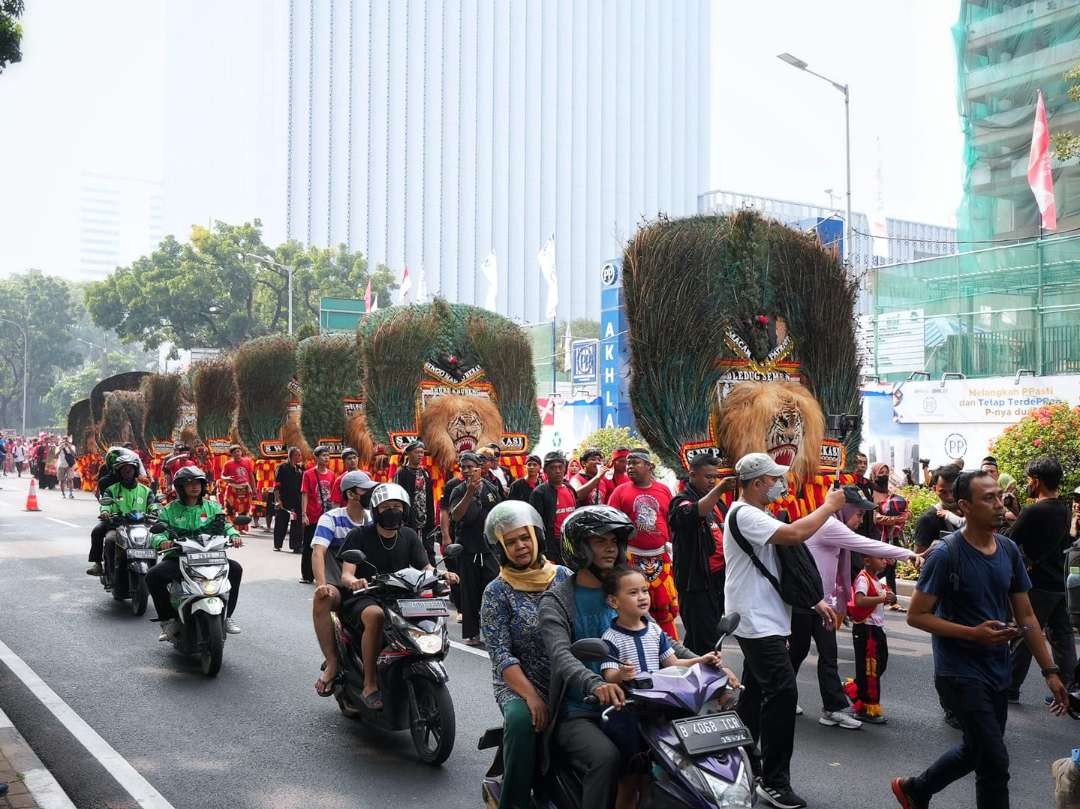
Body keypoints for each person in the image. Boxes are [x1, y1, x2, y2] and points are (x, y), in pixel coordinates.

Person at [893, 470, 1070, 809]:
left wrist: (1050, 670)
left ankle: (916, 789)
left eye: (999, 496)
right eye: (988, 498)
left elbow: (1027, 616)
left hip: (996, 670)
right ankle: (917, 790)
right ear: (965, 506)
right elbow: (917, 615)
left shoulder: (1008, 550)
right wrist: (972, 634)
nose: (999, 504)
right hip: (959, 673)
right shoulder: (946, 554)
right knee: (995, 762)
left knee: (977, 750)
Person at [539, 505, 696, 809]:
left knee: (678, 752)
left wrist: (705, 662)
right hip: (581, 711)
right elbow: (562, 656)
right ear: (579, 547)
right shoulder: (557, 600)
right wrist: (595, 684)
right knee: (606, 758)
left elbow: (661, 640)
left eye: (614, 541)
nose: (610, 548)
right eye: (600, 541)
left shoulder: (625, 590)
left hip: (639, 705)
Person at [723, 452, 845, 809]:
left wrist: (813, 600)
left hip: (764, 616)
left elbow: (786, 566)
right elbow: (796, 535)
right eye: (774, 478)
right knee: (782, 692)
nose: (780, 484)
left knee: (756, 692)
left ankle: (743, 760)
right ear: (757, 482)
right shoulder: (745, 514)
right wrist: (829, 506)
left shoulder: (757, 514)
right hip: (755, 619)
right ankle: (774, 782)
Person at [599, 565, 734, 809]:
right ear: (613, 601)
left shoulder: (654, 630)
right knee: (630, 781)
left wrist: (700, 660)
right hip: (629, 715)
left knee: (657, 778)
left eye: (644, 590)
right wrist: (621, 673)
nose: (642, 597)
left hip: (658, 712)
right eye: (633, 593)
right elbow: (608, 675)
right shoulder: (611, 637)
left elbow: (673, 663)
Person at [792, 485, 920, 730]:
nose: (862, 519)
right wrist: (907, 554)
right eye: (859, 513)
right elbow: (867, 545)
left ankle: (830, 708)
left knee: (825, 655)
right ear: (844, 508)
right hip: (807, 601)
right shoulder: (830, 525)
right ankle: (783, 695)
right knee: (798, 653)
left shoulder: (831, 524)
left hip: (820, 602)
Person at [479, 501, 571, 809]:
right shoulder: (496, 591)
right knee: (521, 721)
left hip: (567, 676)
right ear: (501, 548)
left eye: (525, 538)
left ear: (537, 537)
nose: (520, 546)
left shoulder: (564, 578)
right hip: (518, 685)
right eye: (511, 542)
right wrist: (531, 696)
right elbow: (501, 654)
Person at [337, 483, 458, 709]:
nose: (393, 511)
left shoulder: (409, 535)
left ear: (405, 510)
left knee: (429, 613)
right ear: (376, 510)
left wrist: (443, 574)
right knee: (375, 616)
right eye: (386, 507)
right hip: (367, 595)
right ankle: (370, 683)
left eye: (397, 506)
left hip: (402, 596)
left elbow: (425, 567)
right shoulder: (359, 535)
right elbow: (346, 574)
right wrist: (355, 582)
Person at [1006, 456, 1077, 702]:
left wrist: (1009, 515)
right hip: (1057, 582)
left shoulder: (1035, 510)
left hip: (1038, 585)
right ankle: (1069, 689)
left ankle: (1010, 687)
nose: (1028, 484)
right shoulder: (1064, 509)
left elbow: (1009, 540)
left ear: (1036, 481)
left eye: (1029, 480)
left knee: (1026, 634)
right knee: (1062, 637)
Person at [148, 466, 244, 638]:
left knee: (236, 569)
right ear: (180, 487)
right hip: (179, 558)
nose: (195, 486)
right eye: (189, 483)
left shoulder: (213, 508)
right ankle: (168, 620)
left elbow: (226, 525)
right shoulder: (169, 510)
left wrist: (234, 535)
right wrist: (162, 541)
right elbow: (158, 532)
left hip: (210, 557)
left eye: (198, 483)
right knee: (153, 576)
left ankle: (228, 616)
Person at [312, 470, 377, 696]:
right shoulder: (331, 518)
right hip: (341, 586)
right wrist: (321, 584)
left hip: (371, 586)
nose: (370, 493)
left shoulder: (374, 518)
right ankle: (331, 662)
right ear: (350, 494)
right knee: (323, 598)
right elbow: (318, 552)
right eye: (365, 489)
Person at [606, 449, 679, 638]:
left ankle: (669, 648)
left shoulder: (664, 490)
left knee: (664, 607)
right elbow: (611, 527)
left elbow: (670, 522)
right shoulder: (619, 492)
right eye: (628, 463)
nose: (629, 467)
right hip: (631, 559)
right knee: (633, 607)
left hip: (661, 558)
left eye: (635, 463)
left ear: (649, 466)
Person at [668, 454, 735, 653]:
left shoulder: (719, 504)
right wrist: (720, 489)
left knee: (710, 637)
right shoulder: (681, 501)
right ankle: (704, 680)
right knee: (705, 642)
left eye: (715, 477)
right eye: (708, 477)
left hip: (717, 581)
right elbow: (692, 513)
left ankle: (695, 676)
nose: (712, 481)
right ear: (692, 475)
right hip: (696, 584)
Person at [449, 451, 503, 645]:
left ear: (480, 468)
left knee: (493, 592)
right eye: (463, 467)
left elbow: (499, 515)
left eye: (471, 467)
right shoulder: (457, 490)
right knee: (469, 593)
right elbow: (455, 516)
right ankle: (472, 633)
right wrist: (469, 493)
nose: (467, 471)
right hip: (467, 549)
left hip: (489, 550)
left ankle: (494, 631)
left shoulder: (491, 488)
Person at [849, 555, 895, 724]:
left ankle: (854, 689)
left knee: (880, 664)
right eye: (881, 558)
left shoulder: (876, 579)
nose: (885, 561)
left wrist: (890, 597)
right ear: (867, 560)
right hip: (866, 628)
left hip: (876, 628)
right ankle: (867, 707)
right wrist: (882, 598)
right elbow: (860, 601)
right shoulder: (863, 578)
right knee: (870, 668)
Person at [529, 451, 579, 566]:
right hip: (552, 545)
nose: (557, 471)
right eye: (553, 468)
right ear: (546, 471)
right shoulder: (539, 493)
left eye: (560, 467)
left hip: (571, 541)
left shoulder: (570, 488)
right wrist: (544, 551)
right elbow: (536, 525)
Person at [394, 440, 436, 565]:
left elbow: (429, 496)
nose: (420, 455)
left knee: (429, 548)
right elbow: (399, 496)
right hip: (409, 517)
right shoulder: (402, 473)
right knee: (409, 546)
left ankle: (431, 573)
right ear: (408, 454)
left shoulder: (425, 473)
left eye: (422, 452)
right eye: (417, 452)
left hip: (425, 516)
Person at [299, 446, 336, 584]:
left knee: (326, 547)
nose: (326, 458)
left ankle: (324, 575)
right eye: (323, 455)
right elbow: (305, 494)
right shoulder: (308, 474)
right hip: (312, 515)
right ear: (317, 457)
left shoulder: (332, 475)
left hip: (326, 516)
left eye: (328, 455)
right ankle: (307, 575)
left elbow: (333, 496)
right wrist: (304, 514)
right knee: (309, 545)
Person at [912, 464, 963, 553]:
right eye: (943, 492)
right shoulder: (928, 519)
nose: (949, 497)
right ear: (934, 489)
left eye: (953, 491)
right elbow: (918, 559)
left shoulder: (972, 513)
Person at [273, 447, 304, 552]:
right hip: (284, 500)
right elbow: (276, 486)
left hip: (296, 501)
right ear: (291, 455)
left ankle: (296, 546)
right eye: (298, 455)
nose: (300, 457)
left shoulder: (300, 469)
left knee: (296, 523)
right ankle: (277, 544)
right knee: (281, 522)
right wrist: (278, 500)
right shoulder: (282, 467)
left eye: (300, 455)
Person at [220, 444, 256, 532]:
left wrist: (254, 488)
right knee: (230, 508)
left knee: (244, 509)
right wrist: (226, 478)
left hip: (245, 488)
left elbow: (251, 476)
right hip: (232, 488)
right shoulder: (228, 464)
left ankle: (242, 528)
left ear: (241, 452)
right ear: (231, 454)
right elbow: (222, 476)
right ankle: (231, 527)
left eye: (238, 451)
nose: (237, 453)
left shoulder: (247, 461)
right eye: (235, 452)